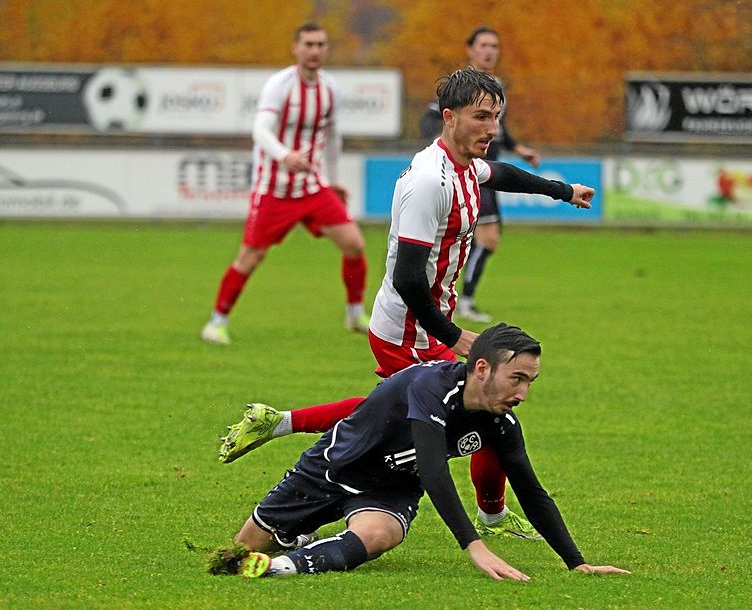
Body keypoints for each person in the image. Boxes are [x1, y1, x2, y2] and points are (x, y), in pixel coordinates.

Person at [217, 69, 595, 540]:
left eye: (497, 116)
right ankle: (487, 515)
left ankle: (281, 423)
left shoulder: (465, 167)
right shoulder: (428, 183)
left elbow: (501, 173)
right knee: (474, 408)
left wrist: (562, 191)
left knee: (432, 409)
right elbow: (407, 277)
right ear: (450, 118)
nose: (492, 128)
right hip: (407, 329)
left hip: (426, 322)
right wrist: (455, 337)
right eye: (481, 116)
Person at [208, 323, 630, 581]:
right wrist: (474, 545)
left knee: (380, 535)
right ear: (481, 368)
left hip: (390, 490)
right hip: (333, 469)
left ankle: (286, 567)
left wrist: (576, 562)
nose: (522, 393)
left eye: (530, 383)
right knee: (242, 547)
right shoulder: (431, 385)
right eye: (516, 378)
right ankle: (298, 535)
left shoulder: (500, 422)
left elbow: (532, 492)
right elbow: (433, 469)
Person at [201, 23, 369, 345]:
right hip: (274, 189)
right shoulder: (279, 85)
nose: (315, 50)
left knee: (354, 243)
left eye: (321, 44)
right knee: (250, 257)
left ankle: (354, 314)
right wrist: (284, 155)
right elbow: (260, 130)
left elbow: (332, 137)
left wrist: (333, 181)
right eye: (308, 44)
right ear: (296, 48)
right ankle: (216, 322)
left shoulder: (330, 89)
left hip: (311, 186)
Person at [419, 26, 541, 323]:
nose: (489, 51)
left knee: (479, 238)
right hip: (469, 170)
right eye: (483, 45)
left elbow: (500, 127)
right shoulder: (462, 87)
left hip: (489, 172)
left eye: (494, 46)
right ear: (470, 50)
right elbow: (429, 119)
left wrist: (518, 148)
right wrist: (447, 145)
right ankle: (461, 300)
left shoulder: (495, 85)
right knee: (486, 238)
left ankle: (453, 297)